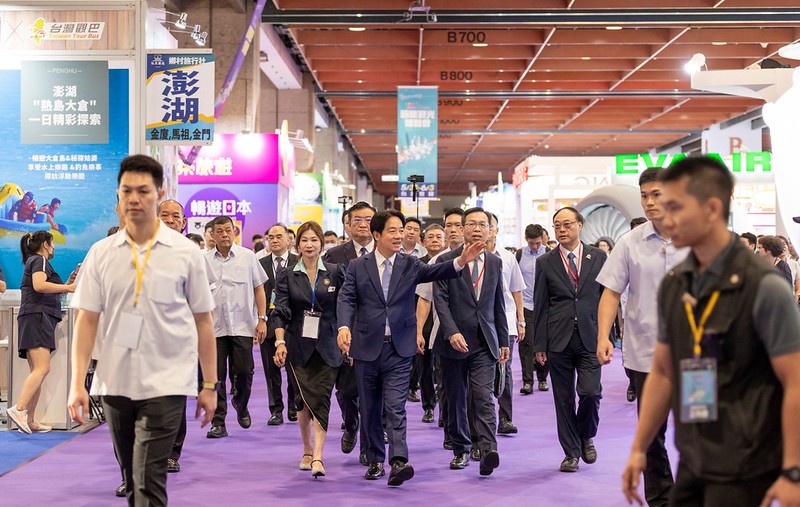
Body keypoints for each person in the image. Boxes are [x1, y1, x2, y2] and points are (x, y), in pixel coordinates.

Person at [622, 155, 800, 506]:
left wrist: (793, 469)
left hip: (748, 462)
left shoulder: (763, 286)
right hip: (696, 454)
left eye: (676, 207)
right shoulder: (676, 283)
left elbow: (795, 380)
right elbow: (663, 370)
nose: (665, 217)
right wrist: (639, 447)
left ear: (712, 208)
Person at [67, 155, 217, 506]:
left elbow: (203, 321)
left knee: (148, 478)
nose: (134, 199)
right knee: (133, 479)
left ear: (159, 194)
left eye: (143, 191)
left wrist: (209, 384)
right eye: (127, 191)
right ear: (118, 196)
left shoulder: (186, 253)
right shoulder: (101, 253)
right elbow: (86, 319)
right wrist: (77, 383)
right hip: (115, 381)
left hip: (167, 381)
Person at [337, 209, 483, 486]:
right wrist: (344, 327)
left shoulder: (410, 263)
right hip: (366, 347)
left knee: (395, 406)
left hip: (399, 349)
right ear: (377, 234)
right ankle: (375, 459)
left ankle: (398, 461)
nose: (398, 236)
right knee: (370, 407)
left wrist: (461, 261)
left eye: (401, 230)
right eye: (392, 231)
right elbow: (346, 298)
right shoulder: (358, 266)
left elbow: (436, 271)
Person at [595, 167, 689, 506]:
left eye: (657, 194)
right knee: (651, 435)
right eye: (644, 196)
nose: (649, 202)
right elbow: (610, 293)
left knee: (702, 432)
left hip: (698, 357)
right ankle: (661, 499)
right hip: (647, 356)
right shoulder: (629, 242)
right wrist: (603, 337)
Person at [433, 207, 509, 475]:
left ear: (490, 230)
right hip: (453, 342)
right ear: (462, 228)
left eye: (482, 225)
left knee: (483, 396)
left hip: (484, 341)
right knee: (456, 398)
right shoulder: (447, 260)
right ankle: (461, 449)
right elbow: (440, 301)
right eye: (472, 224)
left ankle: (488, 450)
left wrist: (503, 339)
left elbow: (498, 304)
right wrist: (451, 332)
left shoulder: (495, 262)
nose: (477, 229)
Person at [533, 207, 607, 473]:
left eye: (567, 224)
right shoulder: (546, 261)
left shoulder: (598, 257)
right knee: (563, 399)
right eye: (557, 226)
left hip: (591, 336)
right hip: (558, 338)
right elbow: (541, 305)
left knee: (590, 393)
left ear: (580, 225)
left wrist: (607, 336)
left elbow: (607, 299)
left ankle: (586, 434)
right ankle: (571, 453)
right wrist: (539, 344)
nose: (562, 230)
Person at [272, 221, 346, 479]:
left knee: (321, 398)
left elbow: (345, 306)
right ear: (297, 244)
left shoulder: (335, 272)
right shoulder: (287, 274)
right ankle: (306, 449)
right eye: (304, 240)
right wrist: (280, 342)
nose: (309, 245)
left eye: (314, 240)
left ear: (321, 244)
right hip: (297, 346)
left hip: (328, 345)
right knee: (302, 400)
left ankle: (318, 456)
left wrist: (345, 333)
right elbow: (281, 310)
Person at [6, 231, 77, 434]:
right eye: (52, 244)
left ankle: (29, 419)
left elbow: (45, 286)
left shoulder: (35, 262)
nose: (53, 248)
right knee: (42, 368)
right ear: (46, 244)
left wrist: (65, 285)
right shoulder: (40, 260)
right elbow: (39, 285)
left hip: (35, 318)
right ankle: (19, 409)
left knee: (37, 371)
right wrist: (69, 288)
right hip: (37, 318)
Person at [205, 215, 269, 438]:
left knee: (244, 372)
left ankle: (241, 404)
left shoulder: (247, 256)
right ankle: (218, 422)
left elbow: (259, 288)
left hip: (242, 325)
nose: (224, 234)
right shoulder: (203, 259)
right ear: (212, 234)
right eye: (219, 231)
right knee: (216, 376)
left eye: (228, 230)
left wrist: (262, 319)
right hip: (214, 328)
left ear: (234, 232)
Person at [324, 201, 376, 465]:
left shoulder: (386, 251)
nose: (363, 224)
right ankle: (351, 423)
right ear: (348, 224)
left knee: (372, 392)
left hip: (377, 333)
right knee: (345, 391)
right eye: (358, 219)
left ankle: (369, 444)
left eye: (368, 219)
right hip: (343, 331)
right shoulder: (333, 256)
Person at [416, 207, 466, 446]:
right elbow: (425, 299)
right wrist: (418, 331)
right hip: (443, 334)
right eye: (449, 225)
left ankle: (473, 437)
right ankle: (450, 431)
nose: (453, 230)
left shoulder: (489, 259)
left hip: (476, 334)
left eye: (458, 225)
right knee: (446, 386)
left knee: (476, 390)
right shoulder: (438, 261)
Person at [487, 212, 525, 436]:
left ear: (496, 230)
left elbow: (516, 290)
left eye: (489, 226)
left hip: (506, 322)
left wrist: (521, 320)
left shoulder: (508, 258)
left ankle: (505, 418)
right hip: (481, 322)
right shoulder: (468, 257)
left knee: (505, 370)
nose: (486, 230)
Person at [259, 223, 298, 426]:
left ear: (289, 240)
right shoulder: (260, 263)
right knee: (270, 369)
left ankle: (293, 406)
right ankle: (276, 410)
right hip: (267, 322)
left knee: (293, 368)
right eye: (271, 237)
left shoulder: (298, 262)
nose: (274, 240)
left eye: (278, 236)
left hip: (292, 323)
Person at [414, 224, 446, 423]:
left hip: (444, 320)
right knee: (424, 367)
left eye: (438, 237)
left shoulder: (451, 262)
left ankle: (444, 409)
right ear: (423, 241)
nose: (434, 240)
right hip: (423, 320)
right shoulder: (417, 264)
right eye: (431, 237)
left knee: (443, 368)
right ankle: (428, 406)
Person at [516, 223, 550, 394]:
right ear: (526, 239)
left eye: (538, 243)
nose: (535, 246)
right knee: (526, 344)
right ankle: (527, 381)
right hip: (526, 305)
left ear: (542, 239)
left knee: (545, 342)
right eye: (531, 243)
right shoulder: (519, 255)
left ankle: (543, 378)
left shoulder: (550, 253)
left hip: (545, 306)